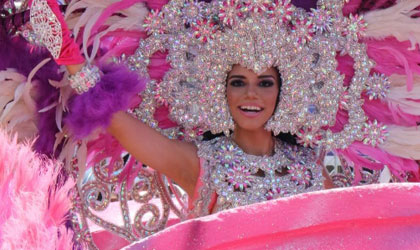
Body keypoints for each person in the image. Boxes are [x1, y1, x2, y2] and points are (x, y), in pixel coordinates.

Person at [2, 0, 420, 249]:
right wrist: (72, 59)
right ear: (222, 92)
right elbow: (117, 120)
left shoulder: (313, 166)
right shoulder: (202, 163)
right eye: (238, 83)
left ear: (282, 92)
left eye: (264, 83)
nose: (251, 95)